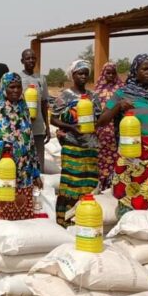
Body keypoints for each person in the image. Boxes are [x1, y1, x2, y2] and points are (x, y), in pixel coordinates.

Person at [97, 54, 148, 219]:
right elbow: (102, 120)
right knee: (131, 193)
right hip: (133, 155)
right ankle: (128, 226)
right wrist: (118, 106)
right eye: (144, 68)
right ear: (135, 70)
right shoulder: (123, 93)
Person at [0, 72, 42, 220]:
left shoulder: (23, 108)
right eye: (12, 87)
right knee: (2, 216)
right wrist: (2, 147)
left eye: (18, 87)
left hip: (24, 172)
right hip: (3, 171)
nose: (16, 90)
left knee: (23, 216)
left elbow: (29, 141)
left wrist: (35, 172)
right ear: (4, 87)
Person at [50, 60, 102, 226]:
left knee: (88, 183)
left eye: (86, 73)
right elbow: (53, 119)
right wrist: (71, 128)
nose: (83, 76)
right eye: (80, 73)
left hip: (91, 146)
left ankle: (85, 219)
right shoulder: (65, 96)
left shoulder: (93, 96)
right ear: (72, 75)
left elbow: (99, 118)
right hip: (72, 145)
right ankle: (64, 220)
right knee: (71, 184)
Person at [93, 62, 124, 189]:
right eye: (108, 72)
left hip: (117, 130)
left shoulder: (121, 89)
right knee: (101, 158)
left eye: (113, 73)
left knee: (117, 157)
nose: (110, 75)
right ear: (103, 73)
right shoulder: (97, 89)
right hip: (101, 131)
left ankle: (114, 185)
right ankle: (101, 185)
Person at [20, 48, 50, 170]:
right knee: (23, 160)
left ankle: (40, 186)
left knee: (39, 161)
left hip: (38, 127)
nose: (31, 60)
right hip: (22, 127)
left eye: (33, 58)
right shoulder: (18, 78)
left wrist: (47, 126)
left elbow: (44, 103)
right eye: (28, 58)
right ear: (22, 61)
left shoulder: (41, 79)